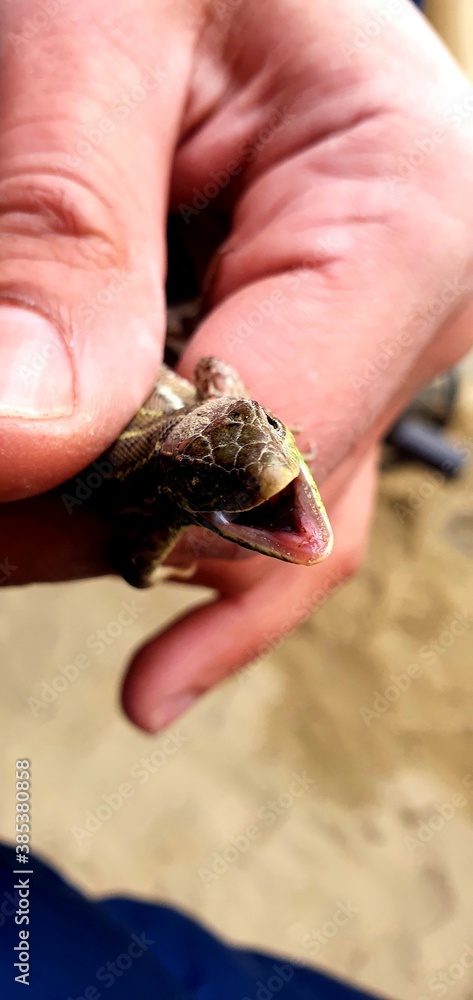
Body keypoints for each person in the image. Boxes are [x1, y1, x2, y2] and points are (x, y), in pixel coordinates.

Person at [0, 0, 471, 995]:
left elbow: (222, 405)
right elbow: (145, 535)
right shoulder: (158, 478)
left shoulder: (211, 415)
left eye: (273, 444)